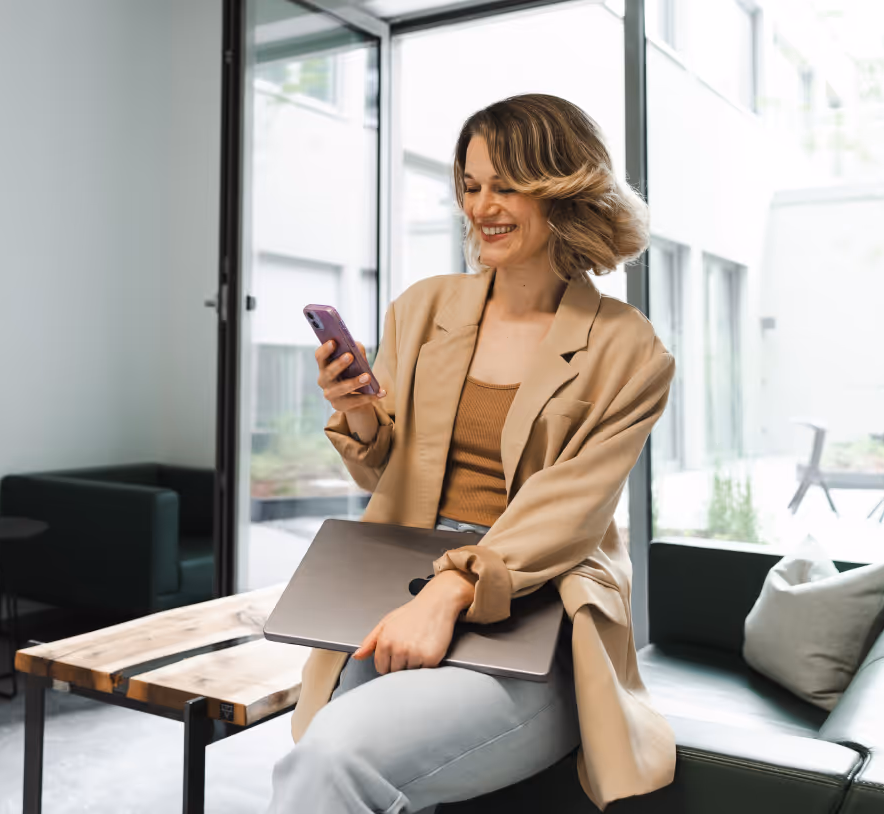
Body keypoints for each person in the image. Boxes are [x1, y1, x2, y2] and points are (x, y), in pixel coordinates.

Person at [266, 94, 678, 813]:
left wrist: (450, 591)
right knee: (318, 752)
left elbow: (570, 512)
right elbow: (383, 469)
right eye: (471, 184)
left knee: (332, 758)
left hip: (537, 610)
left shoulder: (629, 348)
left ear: (562, 189)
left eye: (506, 185)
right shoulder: (423, 308)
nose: (481, 206)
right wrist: (357, 408)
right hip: (399, 585)